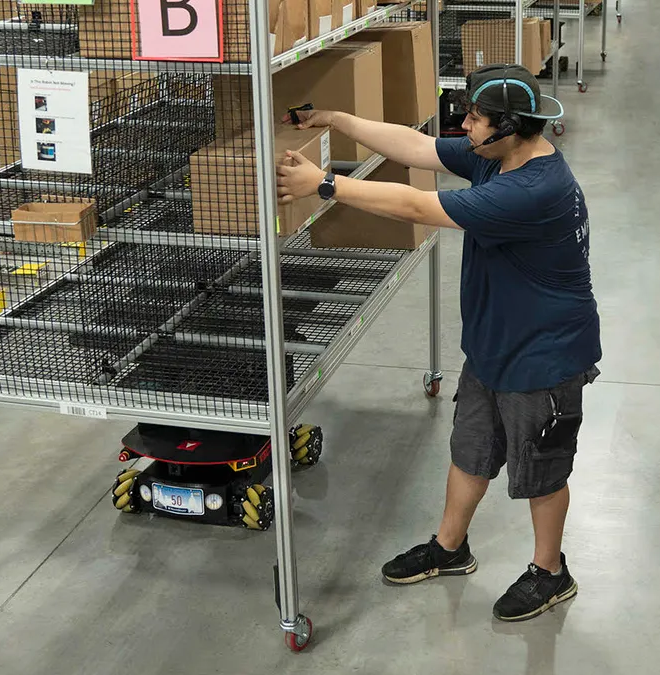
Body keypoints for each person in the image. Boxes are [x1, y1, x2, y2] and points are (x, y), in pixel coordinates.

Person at [275, 64, 601, 623]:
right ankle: (451, 548)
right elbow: (418, 146)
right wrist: (333, 118)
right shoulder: (500, 155)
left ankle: (551, 573)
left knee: (542, 470)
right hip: (493, 343)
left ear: (512, 126)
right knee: (470, 449)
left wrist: (325, 184)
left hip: (543, 356)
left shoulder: (533, 189)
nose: (466, 124)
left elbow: (415, 206)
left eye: (476, 117)